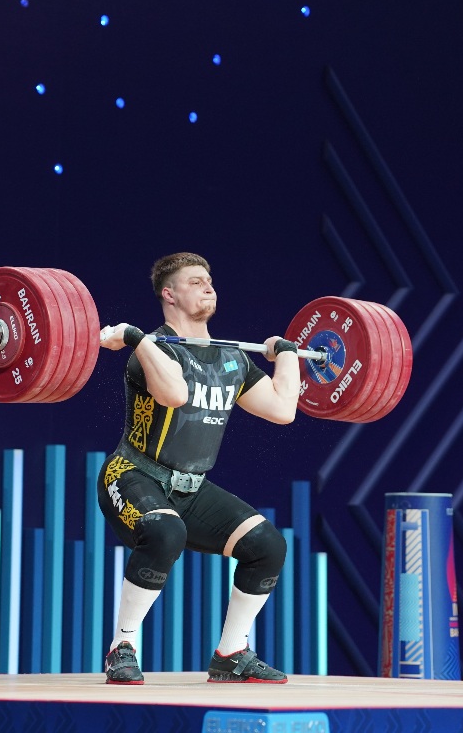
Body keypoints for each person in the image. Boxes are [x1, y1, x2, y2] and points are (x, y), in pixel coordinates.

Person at [96, 252, 301, 685]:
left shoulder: (232, 362)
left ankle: (231, 654)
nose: (207, 286)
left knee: (268, 546)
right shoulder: (150, 350)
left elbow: (283, 410)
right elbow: (173, 394)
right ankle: (122, 646)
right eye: (194, 281)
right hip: (132, 476)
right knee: (167, 531)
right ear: (169, 295)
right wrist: (138, 339)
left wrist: (286, 353)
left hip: (190, 489)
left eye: (208, 280)